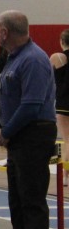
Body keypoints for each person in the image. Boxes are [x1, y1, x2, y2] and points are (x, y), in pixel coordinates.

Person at [0, 11, 57, 229]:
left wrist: (7, 132)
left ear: (5, 32)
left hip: (33, 134)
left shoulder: (33, 60)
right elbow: (8, 98)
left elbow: (31, 105)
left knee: (31, 200)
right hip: (19, 135)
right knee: (17, 200)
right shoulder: (14, 59)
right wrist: (1, 125)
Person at [49, 29, 69, 187]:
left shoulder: (58, 57)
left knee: (67, 140)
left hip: (64, 102)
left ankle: (66, 176)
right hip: (63, 102)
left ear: (62, 41)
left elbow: (46, 75)